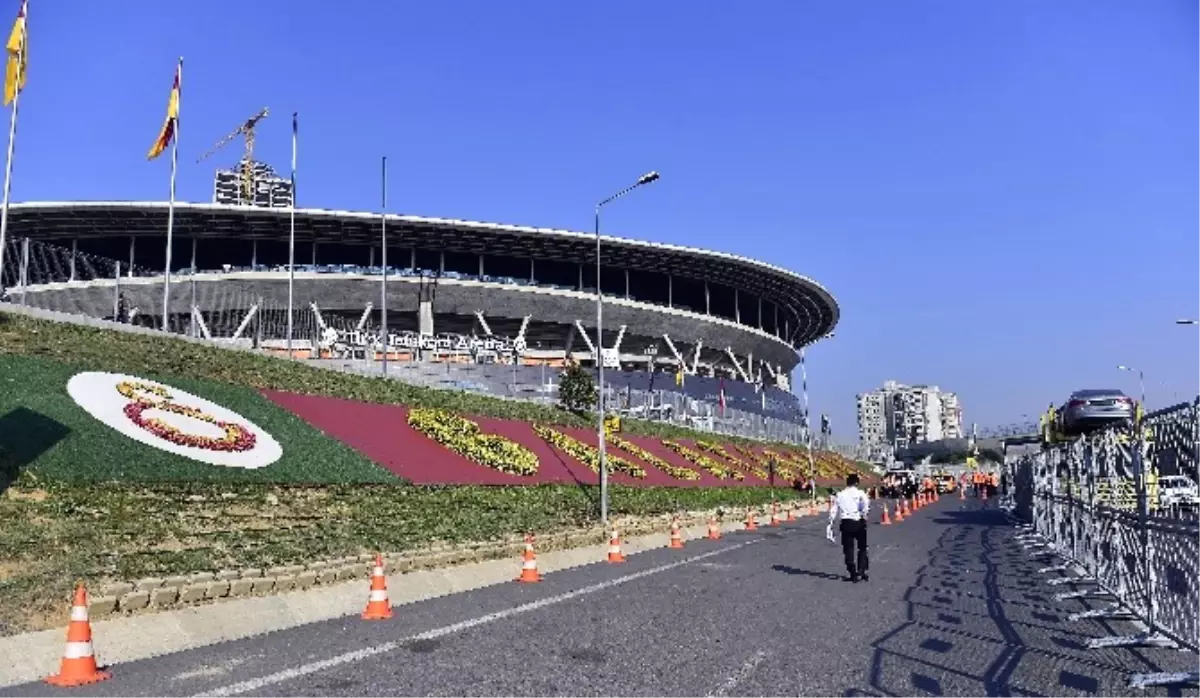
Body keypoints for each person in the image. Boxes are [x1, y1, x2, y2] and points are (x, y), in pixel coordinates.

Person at [828, 473, 871, 582]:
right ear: (857, 483)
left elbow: (833, 510)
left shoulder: (840, 494)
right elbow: (865, 506)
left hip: (846, 523)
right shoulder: (860, 493)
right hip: (858, 522)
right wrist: (864, 514)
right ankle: (861, 571)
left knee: (848, 549)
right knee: (862, 547)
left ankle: (852, 573)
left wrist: (830, 525)